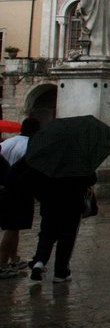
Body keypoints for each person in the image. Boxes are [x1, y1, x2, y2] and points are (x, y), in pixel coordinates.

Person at [26, 166, 97, 283]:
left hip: (49, 204)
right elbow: (92, 179)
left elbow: (34, 181)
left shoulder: (47, 161)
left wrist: (43, 197)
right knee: (66, 238)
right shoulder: (77, 161)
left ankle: (39, 261)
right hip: (72, 204)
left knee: (46, 235)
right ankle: (60, 272)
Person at [0, 118, 41, 278]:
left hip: (6, 188)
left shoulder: (7, 143)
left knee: (14, 228)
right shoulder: (30, 146)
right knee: (11, 228)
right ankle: (2, 263)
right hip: (17, 191)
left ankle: (14, 258)